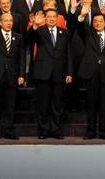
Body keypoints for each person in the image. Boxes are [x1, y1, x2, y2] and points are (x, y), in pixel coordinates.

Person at [28, 9, 74, 139]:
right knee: (43, 105)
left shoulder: (64, 32)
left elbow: (69, 53)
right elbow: (28, 40)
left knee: (57, 105)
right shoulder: (39, 31)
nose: (52, 19)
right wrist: (34, 26)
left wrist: (69, 72)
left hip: (59, 73)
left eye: (54, 16)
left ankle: (56, 131)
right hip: (43, 73)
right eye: (49, 17)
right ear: (45, 18)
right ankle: (43, 131)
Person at [76, 8, 105, 140]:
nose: (98, 23)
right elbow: (79, 26)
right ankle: (90, 131)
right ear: (92, 23)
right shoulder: (88, 33)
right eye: (95, 21)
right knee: (91, 104)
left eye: (101, 21)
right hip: (91, 74)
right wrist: (82, 15)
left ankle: (104, 131)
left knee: (104, 105)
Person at [0, 13, 26, 140]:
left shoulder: (18, 37)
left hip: (12, 76)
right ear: (0, 23)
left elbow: (22, 57)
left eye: (11, 20)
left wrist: (22, 75)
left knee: (10, 106)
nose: (9, 23)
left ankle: (9, 131)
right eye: (6, 20)